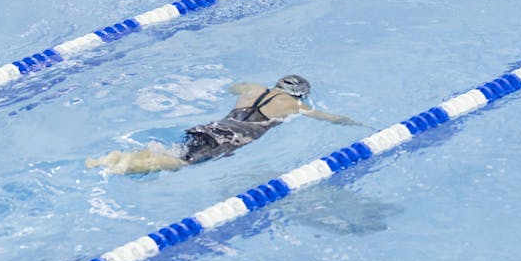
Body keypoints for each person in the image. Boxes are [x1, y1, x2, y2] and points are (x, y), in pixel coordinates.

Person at [86, 75, 358, 175]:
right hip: (231, 138)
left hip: (212, 126)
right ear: (300, 94)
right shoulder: (294, 105)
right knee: (183, 164)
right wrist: (357, 123)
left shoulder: (252, 88)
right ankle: (124, 165)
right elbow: (331, 118)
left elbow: (232, 86)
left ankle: (116, 158)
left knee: (178, 151)